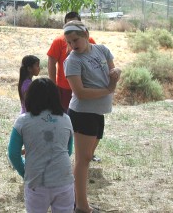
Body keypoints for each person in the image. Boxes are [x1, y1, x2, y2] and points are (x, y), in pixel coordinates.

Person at [63, 21, 121, 213]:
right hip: (82, 114)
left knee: (84, 159)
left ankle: (76, 201)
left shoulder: (102, 50)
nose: (73, 45)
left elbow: (112, 74)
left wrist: (116, 73)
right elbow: (80, 92)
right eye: (70, 42)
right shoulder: (72, 60)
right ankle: (81, 206)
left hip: (98, 113)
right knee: (83, 160)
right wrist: (107, 90)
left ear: (86, 34)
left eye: (76, 40)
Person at [8, 77, 75, 213]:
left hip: (36, 181)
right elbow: (68, 150)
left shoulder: (23, 121)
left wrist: (25, 172)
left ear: (30, 97)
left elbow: (13, 153)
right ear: (56, 97)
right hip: (64, 179)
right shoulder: (66, 119)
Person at [47, 12, 100, 162]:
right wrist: (52, 85)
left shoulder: (90, 41)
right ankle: (62, 151)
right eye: (68, 24)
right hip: (63, 89)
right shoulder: (59, 41)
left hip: (85, 89)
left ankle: (86, 152)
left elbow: (96, 60)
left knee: (90, 123)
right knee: (63, 121)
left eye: (75, 24)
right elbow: (51, 62)